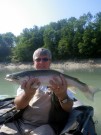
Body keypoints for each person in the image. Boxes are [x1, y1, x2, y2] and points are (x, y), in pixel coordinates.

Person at [0, 48, 73, 135]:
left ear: (50, 61)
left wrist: (62, 95)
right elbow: (18, 106)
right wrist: (27, 94)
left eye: (45, 59)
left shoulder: (60, 81)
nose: (41, 62)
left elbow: (68, 108)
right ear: (34, 62)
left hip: (47, 126)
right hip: (22, 122)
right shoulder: (27, 81)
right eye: (38, 59)